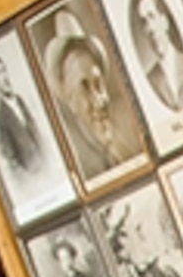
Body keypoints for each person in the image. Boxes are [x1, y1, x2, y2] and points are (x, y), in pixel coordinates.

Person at [43, 17, 137, 177]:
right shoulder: (79, 167)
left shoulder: (130, 141)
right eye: (84, 88)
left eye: (98, 84)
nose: (98, 101)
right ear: (70, 101)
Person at [125, 0, 183, 117]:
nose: (150, 28)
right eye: (144, 22)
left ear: (164, 21)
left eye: (152, 17)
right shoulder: (151, 79)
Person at [0, 50, 45, 175]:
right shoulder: (2, 117)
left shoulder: (20, 101)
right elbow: (11, 160)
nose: (4, 77)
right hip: (32, 176)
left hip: (46, 166)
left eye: (3, 71)